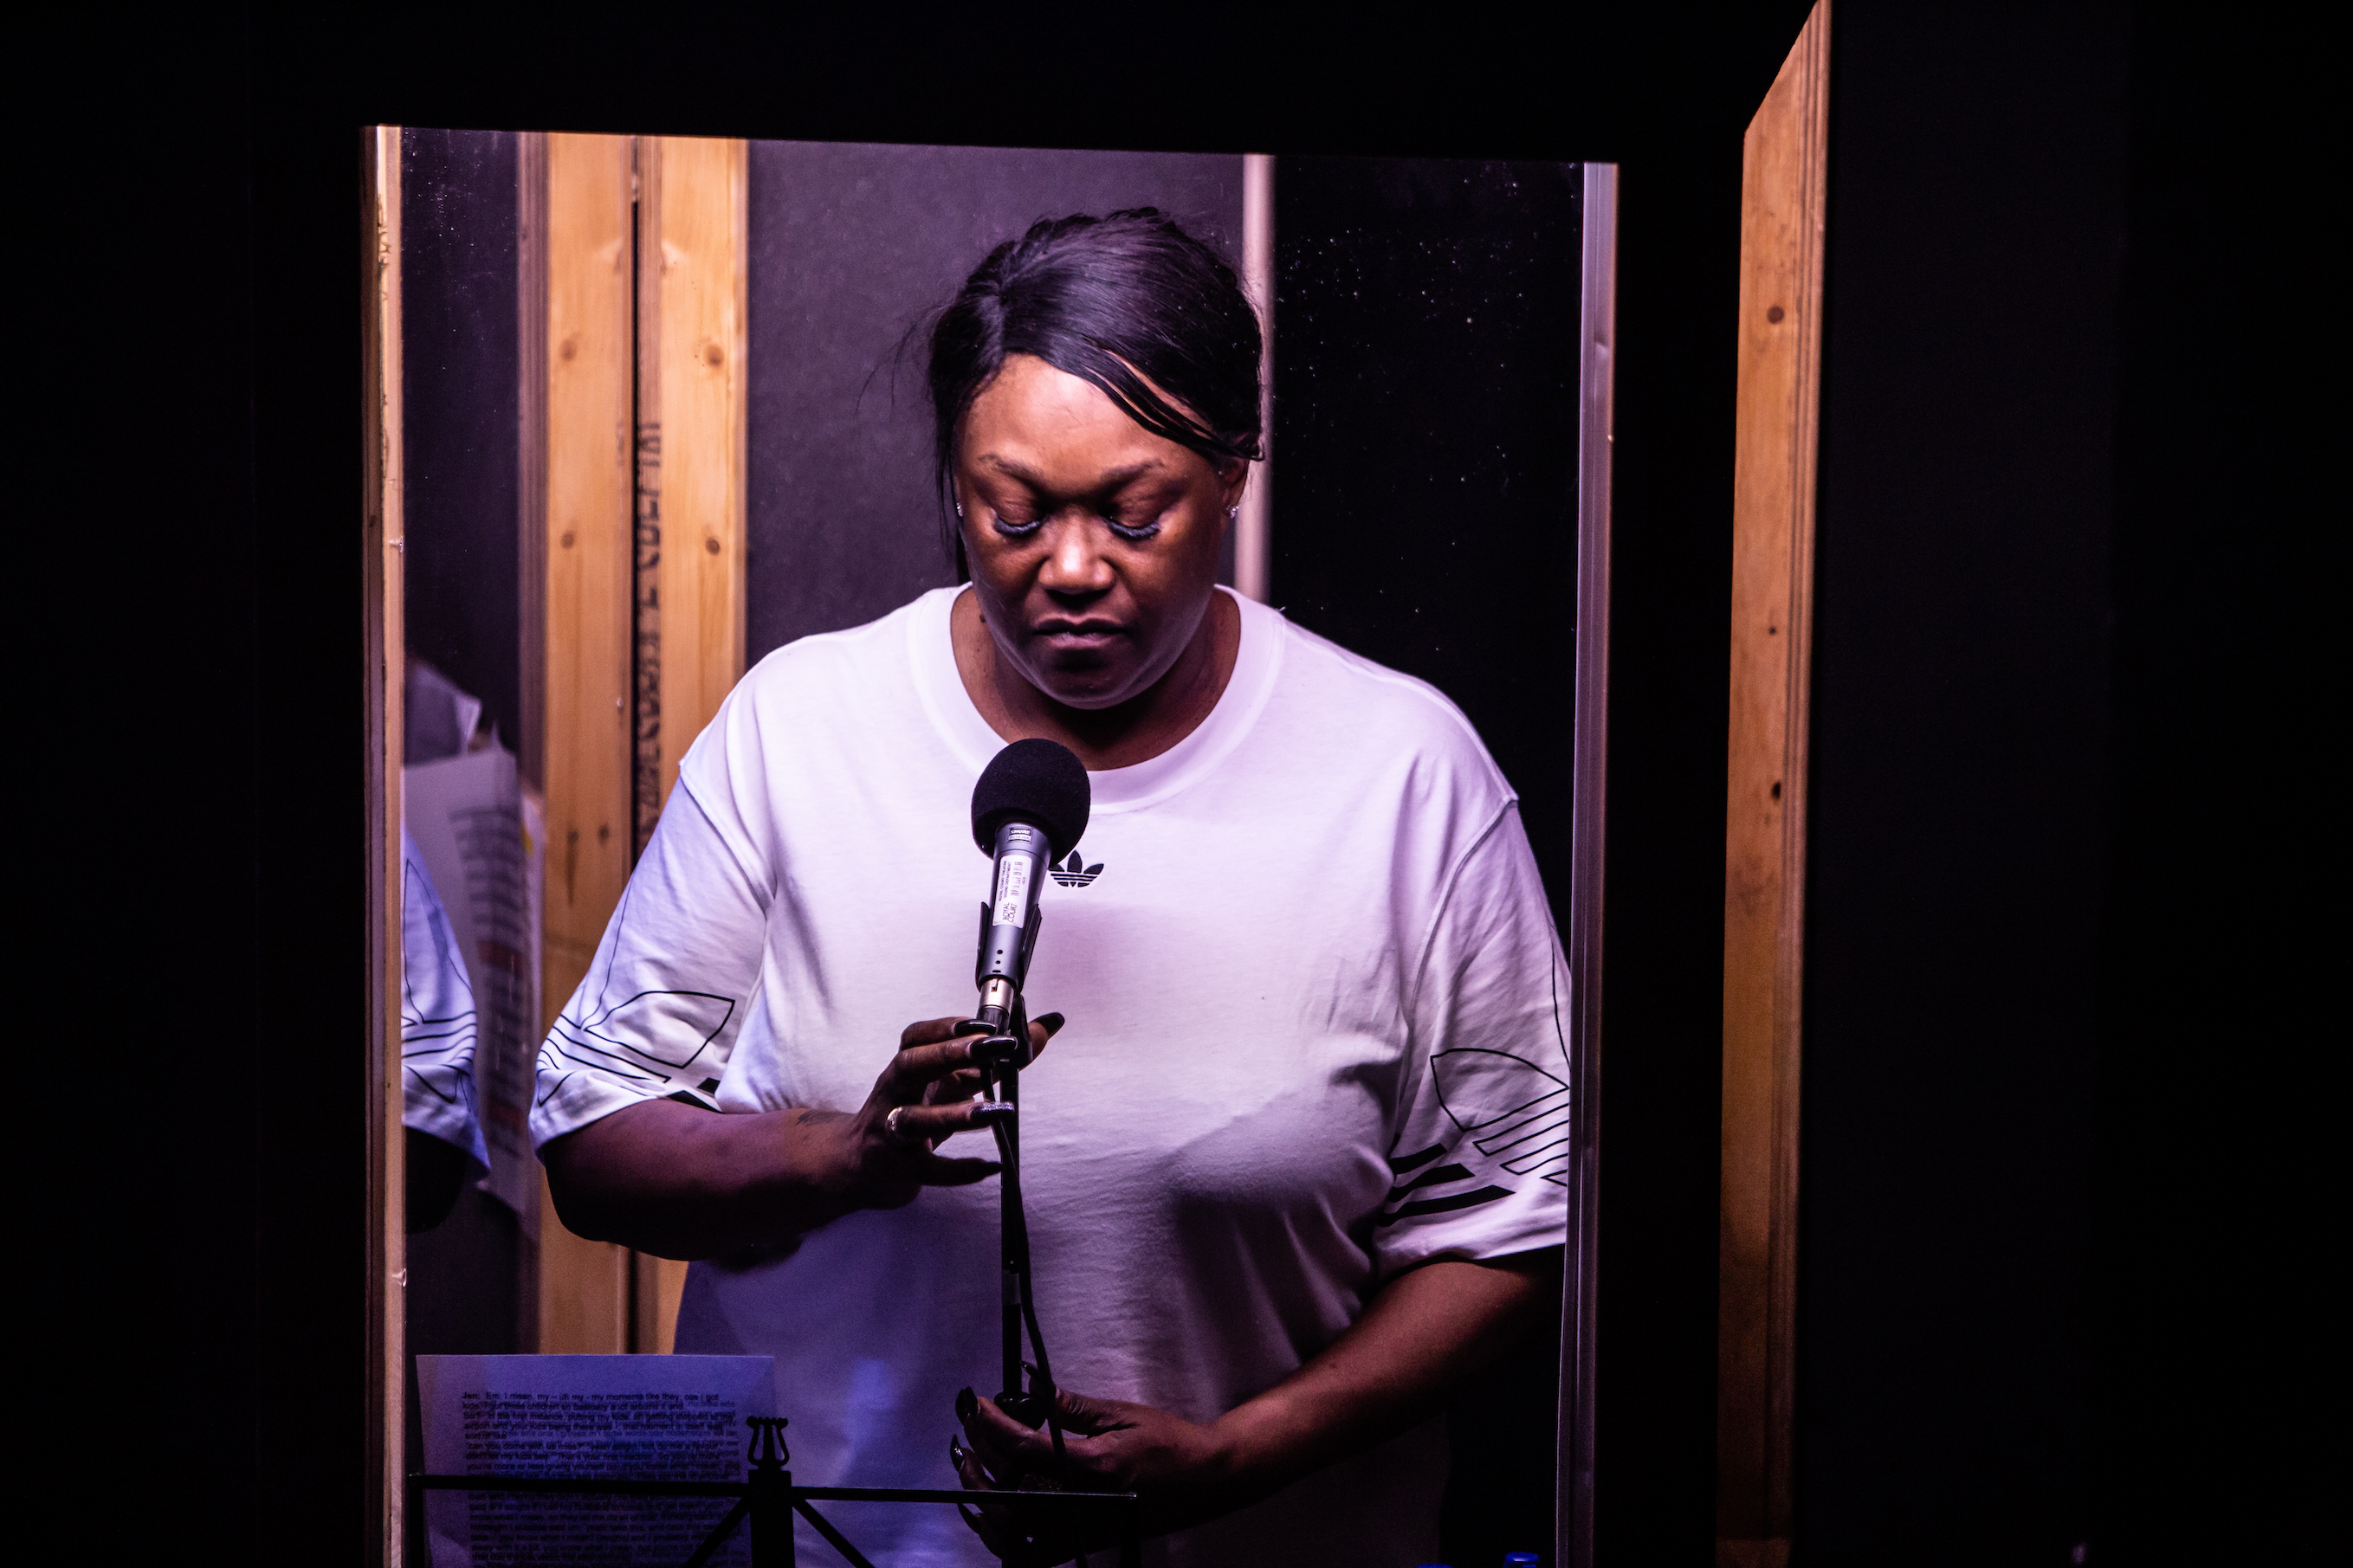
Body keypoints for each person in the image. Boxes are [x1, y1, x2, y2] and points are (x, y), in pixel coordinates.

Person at [534, 210, 1572, 1567]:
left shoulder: (1406, 778)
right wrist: (842, 1153)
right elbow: (594, 1140)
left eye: (1135, 511)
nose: (1070, 567)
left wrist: (1241, 1454)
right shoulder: (799, 730)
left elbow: (1509, 1234)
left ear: (1235, 473)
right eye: (1011, 509)